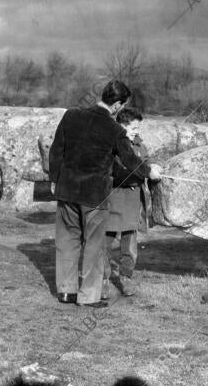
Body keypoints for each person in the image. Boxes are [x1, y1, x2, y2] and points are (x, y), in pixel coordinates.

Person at [49, 80, 162, 308]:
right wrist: (150, 171)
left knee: (67, 242)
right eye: (122, 105)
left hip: (67, 191)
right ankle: (88, 296)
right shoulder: (115, 130)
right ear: (118, 104)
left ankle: (65, 292)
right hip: (95, 196)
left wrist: (54, 179)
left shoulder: (71, 116)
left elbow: (56, 151)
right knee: (93, 245)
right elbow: (130, 161)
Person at [102, 107, 152, 298]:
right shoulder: (111, 145)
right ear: (121, 126)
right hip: (112, 199)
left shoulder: (139, 144)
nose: (137, 131)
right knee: (105, 242)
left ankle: (126, 278)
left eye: (138, 128)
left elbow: (145, 163)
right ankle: (103, 280)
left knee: (130, 245)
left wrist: (152, 170)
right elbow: (115, 170)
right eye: (133, 127)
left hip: (132, 201)